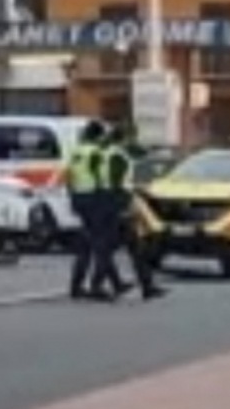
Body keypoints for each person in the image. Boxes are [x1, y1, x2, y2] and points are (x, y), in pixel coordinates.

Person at [101, 124, 168, 301]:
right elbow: (116, 182)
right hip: (118, 204)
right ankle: (112, 284)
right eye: (130, 137)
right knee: (111, 248)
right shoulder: (116, 156)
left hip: (114, 203)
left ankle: (145, 286)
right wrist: (125, 205)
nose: (132, 141)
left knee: (134, 247)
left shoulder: (110, 153)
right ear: (123, 138)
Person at [63, 121, 107, 300]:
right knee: (101, 245)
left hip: (79, 198)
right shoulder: (97, 153)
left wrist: (72, 196)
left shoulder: (76, 151)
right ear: (98, 136)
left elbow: (68, 175)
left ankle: (76, 286)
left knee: (84, 246)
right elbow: (102, 178)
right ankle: (96, 286)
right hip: (94, 199)